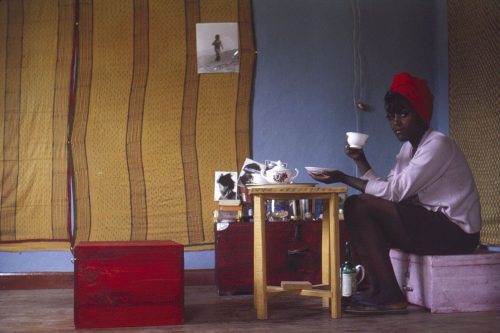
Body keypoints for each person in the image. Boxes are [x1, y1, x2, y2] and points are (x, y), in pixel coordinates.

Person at [307, 72, 481, 315]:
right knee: (359, 207)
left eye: (403, 113)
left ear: (421, 112)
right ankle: (380, 290)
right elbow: (388, 189)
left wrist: (344, 178)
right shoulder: (408, 149)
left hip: (456, 233)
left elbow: (394, 192)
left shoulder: (437, 144)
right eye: (391, 116)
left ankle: (388, 293)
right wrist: (362, 161)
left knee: (359, 206)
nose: (395, 122)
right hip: (432, 224)